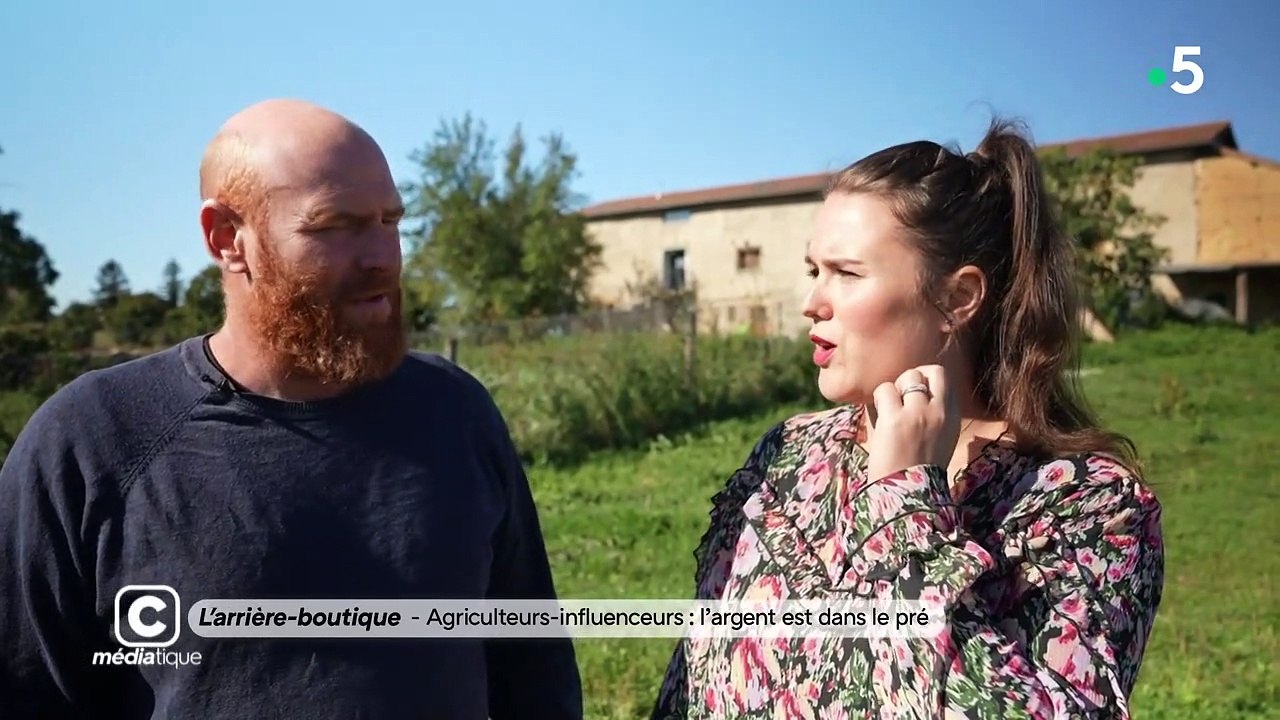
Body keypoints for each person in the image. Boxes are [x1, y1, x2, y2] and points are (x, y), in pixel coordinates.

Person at [0, 99, 582, 719]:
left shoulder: (455, 413)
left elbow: (533, 671)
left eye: (390, 220)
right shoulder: (95, 439)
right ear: (227, 238)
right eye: (335, 226)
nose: (383, 256)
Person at [652, 118, 1165, 719]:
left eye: (847, 273)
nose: (811, 303)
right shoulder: (789, 455)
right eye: (815, 271)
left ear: (957, 298)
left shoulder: (1086, 507)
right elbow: (695, 678)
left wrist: (907, 506)